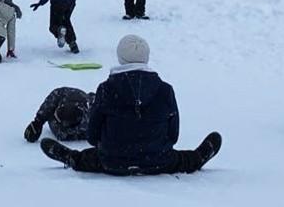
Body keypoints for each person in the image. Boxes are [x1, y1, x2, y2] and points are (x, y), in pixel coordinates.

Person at [41, 35, 221, 175]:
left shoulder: (106, 89)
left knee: (87, 159)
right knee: (183, 160)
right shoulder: (165, 90)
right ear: (146, 58)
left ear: (120, 58)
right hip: (158, 160)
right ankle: (197, 158)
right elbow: (173, 135)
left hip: (113, 161)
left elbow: (92, 136)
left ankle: (71, 158)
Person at [24, 85, 94, 143]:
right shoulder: (60, 94)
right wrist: (37, 122)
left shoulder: (89, 120)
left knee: (62, 136)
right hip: (71, 98)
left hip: (80, 124)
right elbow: (48, 103)